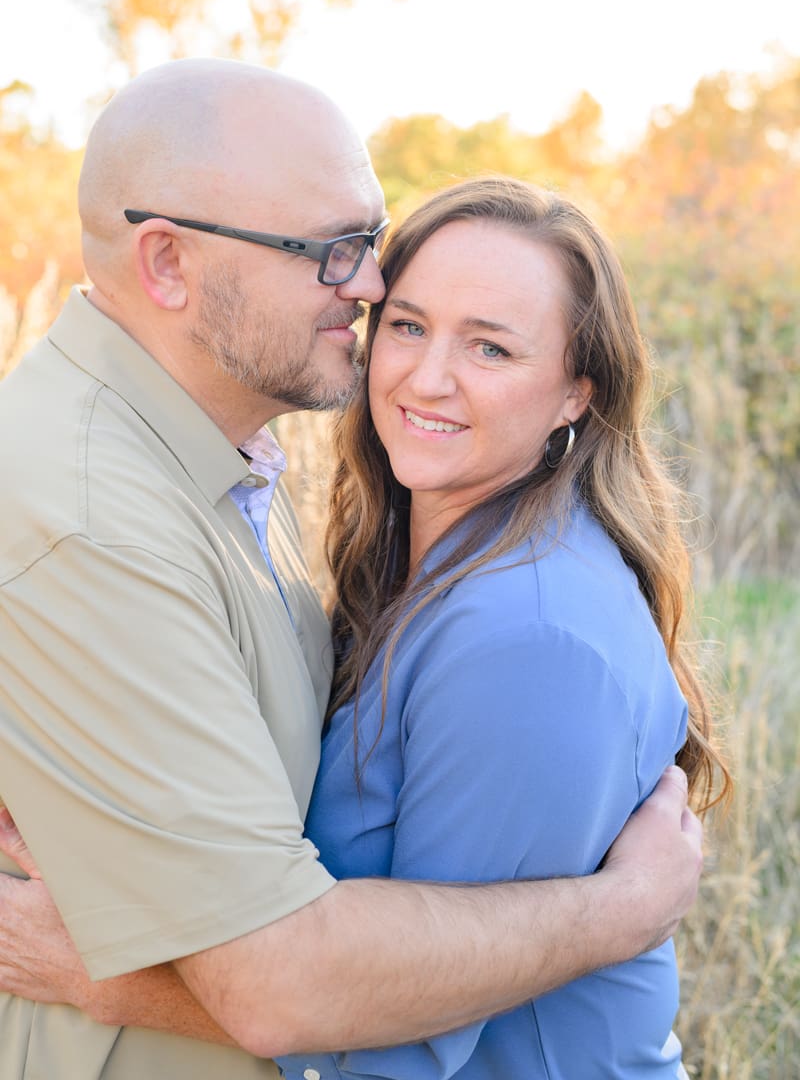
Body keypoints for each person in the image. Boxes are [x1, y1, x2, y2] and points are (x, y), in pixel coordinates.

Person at [0, 60, 703, 1080]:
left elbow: (416, 1026)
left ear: (574, 394)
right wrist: (614, 911)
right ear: (166, 264)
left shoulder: (517, 628)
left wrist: (106, 975)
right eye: (331, 252)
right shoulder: (106, 515)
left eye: (368, 244)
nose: (370, 291)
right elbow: (292, 976)